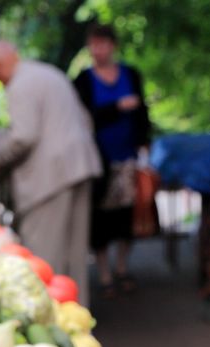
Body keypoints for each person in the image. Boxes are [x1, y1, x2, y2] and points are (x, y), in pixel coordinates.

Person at [0, 41, 102, 304]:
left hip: (50, 177)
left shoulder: (20, 85)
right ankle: (79, 316)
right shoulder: (48, 73)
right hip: (80, 165)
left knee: (44, 257)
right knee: (76, 255)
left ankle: (50, 321)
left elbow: (23, 137)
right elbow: (85, 120)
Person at [74, 22, 151, 296]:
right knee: (101, 217)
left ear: (113, 46)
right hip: (98, 158)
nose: (99, 49)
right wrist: (116, 108)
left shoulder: (130, 74)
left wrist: (144, 146)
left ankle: (122, 267)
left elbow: (143, 114)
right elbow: (81, 118)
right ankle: (105, 273)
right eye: (94, 44)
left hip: (127, 156)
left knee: (127, 215)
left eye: (103, 43)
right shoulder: (83, 80)